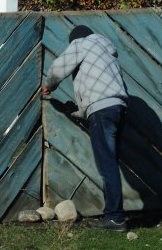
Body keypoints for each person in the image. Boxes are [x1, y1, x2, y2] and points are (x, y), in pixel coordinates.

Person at [41, 25, 129, 231]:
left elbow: (59, 67)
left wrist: (50, 85)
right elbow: (100, 86)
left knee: (107, 166)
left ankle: (115, 218)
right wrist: (80, 113)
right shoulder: (108, 52)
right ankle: (113, 215)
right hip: (119, 109)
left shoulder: (82, 44)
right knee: (111, 163)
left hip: (102, 111)